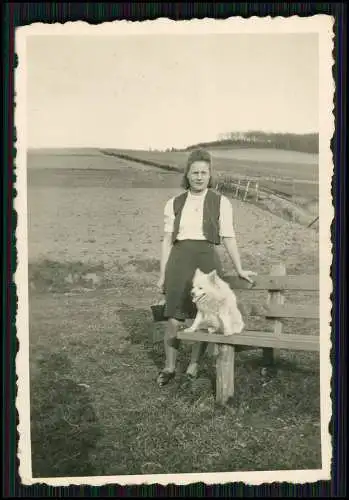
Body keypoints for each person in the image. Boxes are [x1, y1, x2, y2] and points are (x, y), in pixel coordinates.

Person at [156, 148, 256, 387]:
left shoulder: (221, 203)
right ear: (187, 175)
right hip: (179, 259)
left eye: (204, 172)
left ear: (210, 175)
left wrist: (240, 269)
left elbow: (229, 237)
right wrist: (162, 275)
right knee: (174, 316)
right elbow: (168, 241)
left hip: (206, 259)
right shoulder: (174, 203)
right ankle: (169, 367)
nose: (199, 177)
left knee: (206, 314)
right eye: (195, 172)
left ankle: (193, 365)